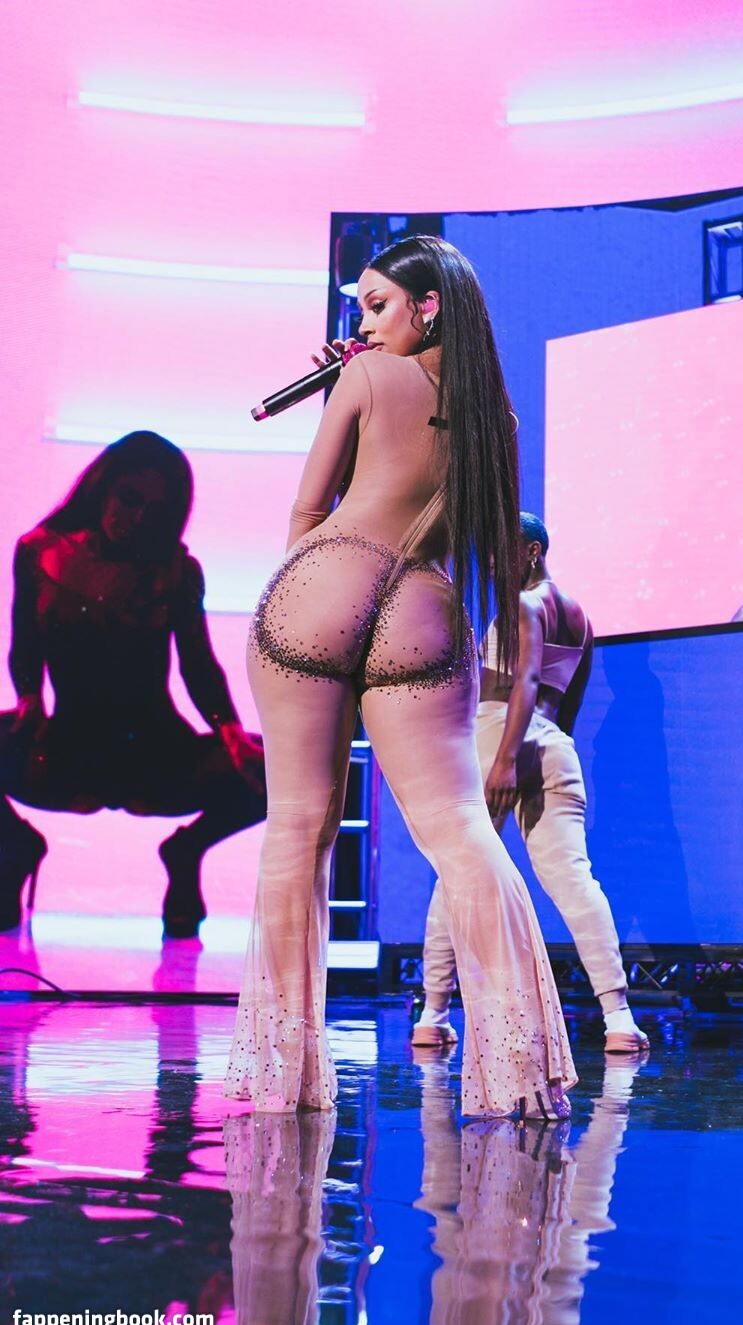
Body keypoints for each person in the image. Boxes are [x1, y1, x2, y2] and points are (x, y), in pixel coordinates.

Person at [224, 236, 576, 1118]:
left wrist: (301, 595)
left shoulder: (365, 377)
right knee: (461, 828)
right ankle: (519, 1070)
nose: (365, 322)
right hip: (423, 600)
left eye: (378, 306)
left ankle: (280, 1081)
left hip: (327, 577)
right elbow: (477, 542)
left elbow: (311, 506)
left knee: (295, 828)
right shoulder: (496, 421)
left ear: (428, 306)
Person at [0, 431, 265, 938]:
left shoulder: (176, 572)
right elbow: (25, 645)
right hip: (65, 749)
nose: (139, 517)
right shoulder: (38, 552)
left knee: (284, 773)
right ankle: (16, 846)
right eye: (130, 499)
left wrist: (231, 733)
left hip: (156, 753)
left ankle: (186, 851)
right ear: (103, 486)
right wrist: (29, 700)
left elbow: (198, 665)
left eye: (155, 510)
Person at [413, 512, 648, 1054]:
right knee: (575, 880)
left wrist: (504, 760)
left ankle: (433, 1012)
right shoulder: (582, 620)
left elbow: (527, 679)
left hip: (499, 737)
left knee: (457, 872)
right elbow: (567, 707)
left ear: (534, 551)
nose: (496, 565)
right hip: (551, 744)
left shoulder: (524, 604)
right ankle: (619, 1018)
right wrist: (542, 748)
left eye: (505, 553)